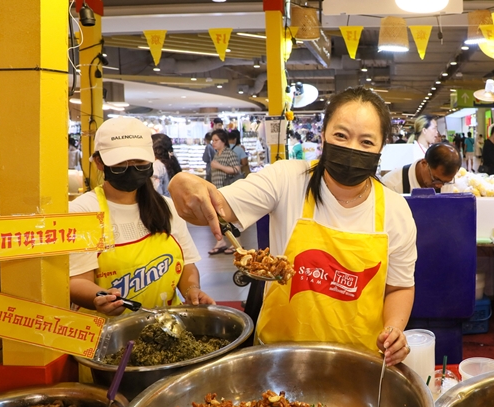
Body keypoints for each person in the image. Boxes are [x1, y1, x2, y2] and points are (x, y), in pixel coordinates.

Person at [168, 86, 416, 366]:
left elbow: (399, 287)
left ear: (382, 147)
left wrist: (394, 328)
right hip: (280, 357)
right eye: (341, 136)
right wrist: (182, 183)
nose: (351, 149)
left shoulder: (396, 211)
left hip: (359, 362)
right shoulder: (287, 179)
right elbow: (213, 209)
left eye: (366, 142)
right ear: (323, 136)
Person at [69, 117, 213, 317]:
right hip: (108, 335)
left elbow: (187, 263)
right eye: (120, 162)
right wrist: (100, 297)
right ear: (100, 163)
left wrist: (192, 290)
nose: (131, 167)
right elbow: (77, 280)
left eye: (139, 161)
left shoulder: (167, 208)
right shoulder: (82, 211)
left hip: (167, 326)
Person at [208, 128, 241, 255]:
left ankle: (236, 241)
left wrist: (219, 166)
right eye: (213, 140)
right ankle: (221, 241)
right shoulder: (217, 154)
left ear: (223, 141)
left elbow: (236, 169)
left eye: (216, 140)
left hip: (227, 191)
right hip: (217, 190)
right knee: (219, 217)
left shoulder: (229, 153)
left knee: (231, 217)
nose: (214, 143)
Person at [381, 142, 461, 194]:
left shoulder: (445, 183)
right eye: (436, 179)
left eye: (446, 182)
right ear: (424, 163)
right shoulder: (391, 185)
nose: (440, 185)